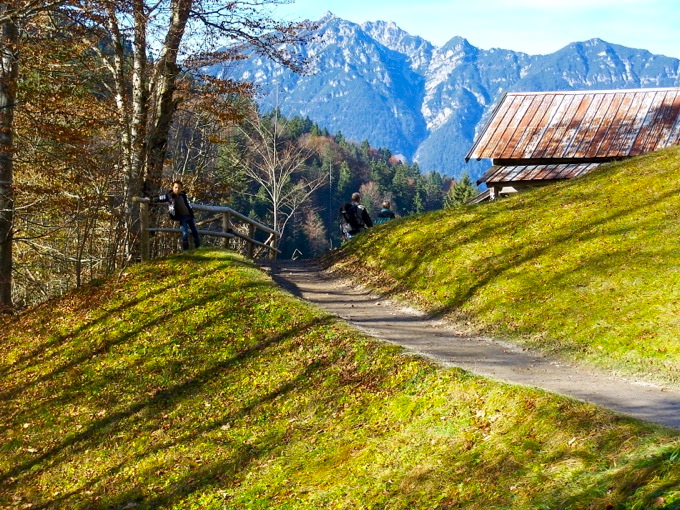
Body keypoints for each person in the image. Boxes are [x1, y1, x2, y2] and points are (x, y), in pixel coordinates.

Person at [152, 180, 201, 251]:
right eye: (176, 187)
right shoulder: (169, 196)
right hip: (181, 217)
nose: (177, 189)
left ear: (181, 189)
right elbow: (160, 198)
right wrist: (151, 199)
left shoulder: (183, 195)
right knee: (185, 233)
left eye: (179, 188)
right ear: (173, 187)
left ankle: (198, 246)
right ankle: (186, 250)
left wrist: (191, 212)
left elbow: (187, 204)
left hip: (189, 215)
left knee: (194, 231)